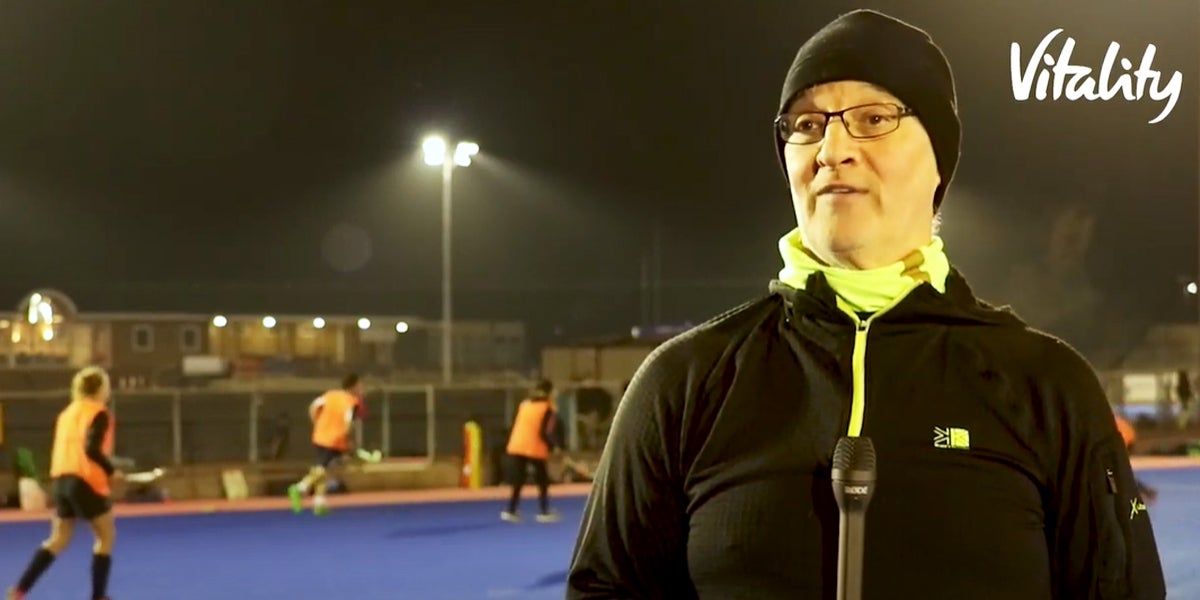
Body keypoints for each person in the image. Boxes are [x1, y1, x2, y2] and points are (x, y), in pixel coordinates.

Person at [566, 9, 1165, 599]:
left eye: (873, 118)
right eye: (806, 124)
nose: (831, 149)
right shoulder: (684, 383)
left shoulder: (1047, 386)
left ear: (939, 159)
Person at [7, 366, 119, 600]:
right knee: (105, 537)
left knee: (58, 539)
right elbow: (91, 449)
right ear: (99, 389)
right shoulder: (98, 413)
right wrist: (111, 471)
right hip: (85, 481)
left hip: (61, 481)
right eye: (106, 385)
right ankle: (99, 596)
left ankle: (18, 590)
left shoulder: (67, 413)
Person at [287, 373, 364, 515]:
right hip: (335, 440)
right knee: (322, 468)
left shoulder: (330, 395)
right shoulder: (352, 402)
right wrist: (350, 442)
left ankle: (319, 503)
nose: (361, 389)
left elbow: (314, 406)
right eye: (360, 385)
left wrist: (317, 422)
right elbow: (348, 422)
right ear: (353, 386)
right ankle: (300, 487)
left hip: (320, 435)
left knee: (326, 470)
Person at [500, 379, 561, 523]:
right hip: (534, 447)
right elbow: (545, 432)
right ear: (550, 392)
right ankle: (544, 511)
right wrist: (553, 447)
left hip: (517, 444)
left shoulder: (525, 404)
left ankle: (511, 510)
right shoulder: (547, 408)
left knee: (519, 479)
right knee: (542, 479)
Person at [1114, 411, 1158, 504]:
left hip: (1123, 443)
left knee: (1118, 472)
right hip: (1127, 442)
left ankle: (1145, 492)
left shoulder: (1109, 422)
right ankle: (1146, 491)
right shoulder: (1113, 420)